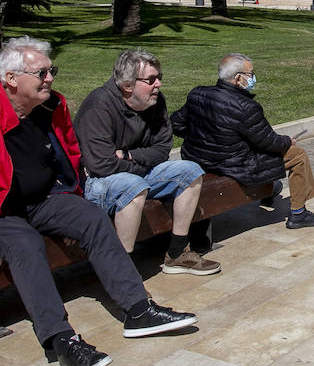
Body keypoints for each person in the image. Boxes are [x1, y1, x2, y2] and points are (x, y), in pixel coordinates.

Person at [0, 37, 196, 366]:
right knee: (25, 244)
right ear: (11, 79)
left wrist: (70, 191)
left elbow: (69, 150)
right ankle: (62, 340)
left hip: (43, 200)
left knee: (91, 217)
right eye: (42, 72)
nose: (50, 78)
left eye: (51, 70)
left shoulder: (52, 105)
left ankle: (138, 310)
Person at [74, 49, 219, 275]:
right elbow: (100, 165)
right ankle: (122, 274)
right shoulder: (99, 105)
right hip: (98, 183)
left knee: (190, 171)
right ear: (128, 85)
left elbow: (162, 149)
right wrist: (141, 165)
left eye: (159, 77)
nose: (158, 84)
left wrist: (129, 155)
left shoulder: (155, 101)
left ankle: (177, 253)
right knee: (134, 186)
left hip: (134, 171)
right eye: (151, 79)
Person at [171, 53, 314, 229]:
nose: (253, 78)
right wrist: (287, 141)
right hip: (233, 164)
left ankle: (270, 189)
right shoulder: (246, 107)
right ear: (238, 78)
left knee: (261, 153)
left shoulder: (197, 94)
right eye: (251, 74)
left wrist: (200, 138)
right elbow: (269, 142)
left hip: (199, 159)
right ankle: (299, 214)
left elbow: (176, 123)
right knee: (298, 155)